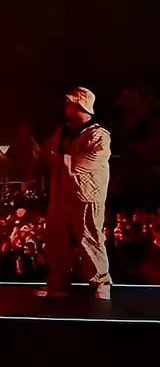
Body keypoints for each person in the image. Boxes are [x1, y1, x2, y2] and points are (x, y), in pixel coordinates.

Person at [38, 86, 112, 300]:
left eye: (69, 102)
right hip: (60, 195)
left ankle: (101, 282)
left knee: (89, 238)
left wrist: (60, 160)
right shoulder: (61, 131)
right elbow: (46, 153)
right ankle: (57, 281)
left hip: (86, 195)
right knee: (56, 240)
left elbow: (90, 161)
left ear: (81, 105)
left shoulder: (99, 135)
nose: (65, 106)